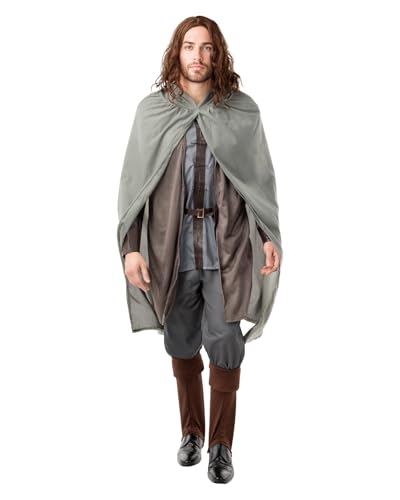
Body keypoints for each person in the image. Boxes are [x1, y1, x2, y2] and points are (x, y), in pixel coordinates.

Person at [117, 15, 282, 484]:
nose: (197, 56)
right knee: (180, 338)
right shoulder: (153, 112)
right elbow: (135, 186)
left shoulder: (241, 112)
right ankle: (191, 431)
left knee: (226, 341)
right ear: (177, 52)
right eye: (189, 46)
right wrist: (131, 248)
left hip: (225, 248)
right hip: (170, 248)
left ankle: (221, 445)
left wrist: (268, 237)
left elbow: (259, 182)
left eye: (207, 47)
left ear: (218, 54)